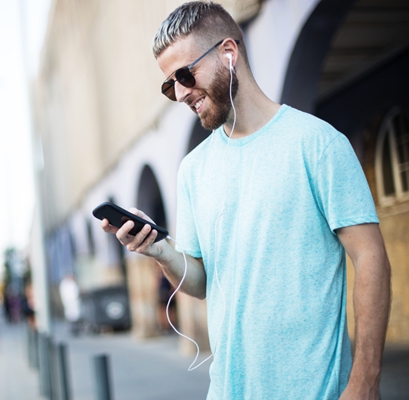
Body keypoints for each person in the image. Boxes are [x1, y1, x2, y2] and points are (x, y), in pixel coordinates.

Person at [100, 2, 391, 399]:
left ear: (228, 53)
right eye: (170, 86)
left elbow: (371, 257)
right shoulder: (193, 169)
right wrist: (158, 249)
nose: (181, 94)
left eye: (184, 75)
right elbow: (200, 283)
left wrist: (365, 382)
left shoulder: (317, 143)